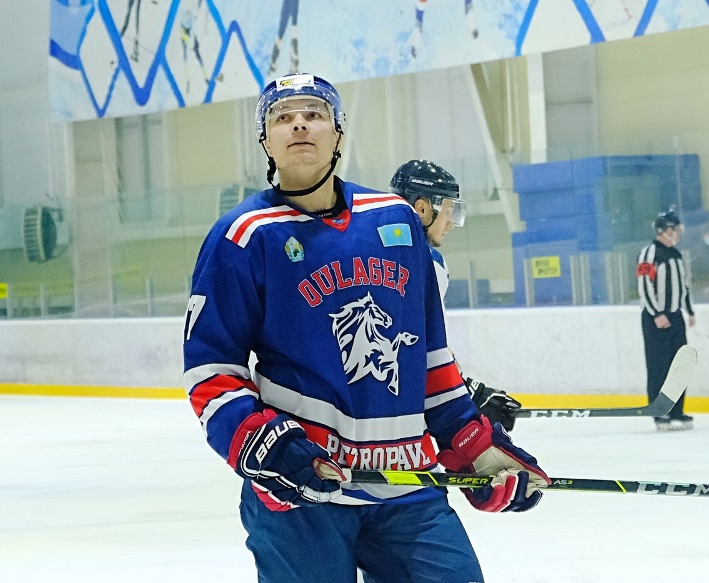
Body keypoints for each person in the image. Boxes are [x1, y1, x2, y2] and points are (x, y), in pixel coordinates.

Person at [182, 73, 550, 583]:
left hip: (406, 483)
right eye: (282, 118)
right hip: (304, 490)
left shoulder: (394, 220)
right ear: (265, 140)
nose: (299, 125)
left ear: (338, 131)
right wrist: (265, 445)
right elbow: (211, 370)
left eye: (314, 114)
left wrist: (475, 444)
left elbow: (429, 359)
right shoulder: (243, 236)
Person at [389, 160, 522, 431]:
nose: (450, 222)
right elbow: (425, 346)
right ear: (422, 208)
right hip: (400, 407)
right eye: (448, 210)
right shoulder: (428, 262)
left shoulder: (368, 250)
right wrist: (469, 391)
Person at [637, 207, 696, 431]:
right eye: (675, 229)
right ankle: (660, 412)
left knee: (679, 366)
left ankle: (677, 410)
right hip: (656, 319)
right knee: (659, 366)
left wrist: (688, 311)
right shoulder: (649, 253)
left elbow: (684, 285)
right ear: (664, 230)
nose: (678, 233)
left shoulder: (676, 255)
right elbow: (644, 286)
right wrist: (656, 314)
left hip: (675, 316)